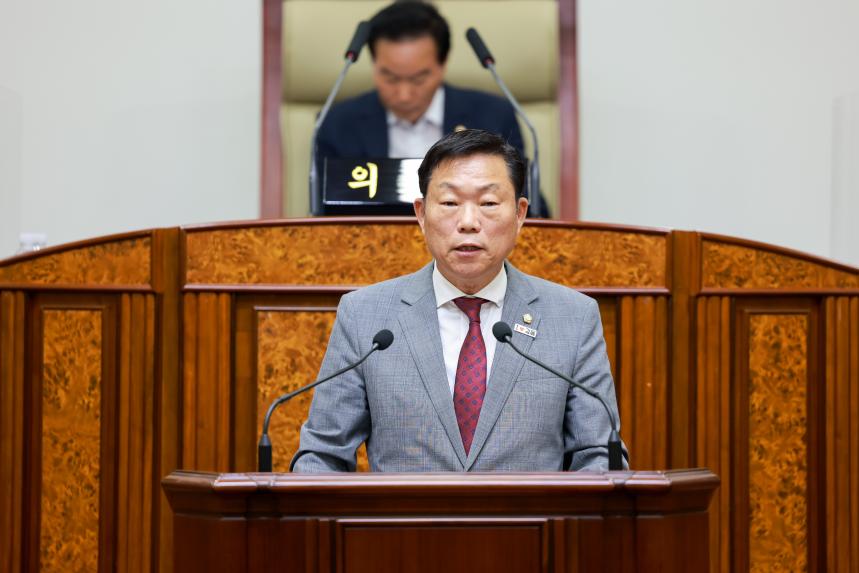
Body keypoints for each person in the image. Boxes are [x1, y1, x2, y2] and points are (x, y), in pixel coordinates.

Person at [292, 129, 626, 472]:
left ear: (520, 214)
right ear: (421, 214)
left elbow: (601, 457)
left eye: (488, 203)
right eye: (450, 203)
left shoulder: (572, 318)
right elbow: (322, 456)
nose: (468, 223)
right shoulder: (365, 316)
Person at [316, 1, 550, 217]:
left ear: (442, 64)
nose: (404, 94)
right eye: (390, 78)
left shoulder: (493, 117)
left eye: (418, 79)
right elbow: (323, 218)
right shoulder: (336, 124)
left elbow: (529, 210)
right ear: (374, 64)